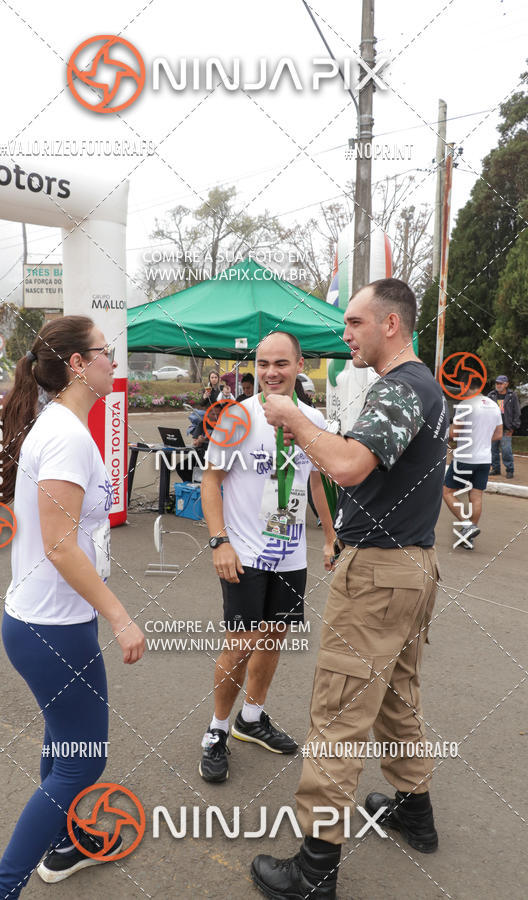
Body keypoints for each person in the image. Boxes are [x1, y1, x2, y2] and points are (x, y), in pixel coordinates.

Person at [250, 279, 448, 900]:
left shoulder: (401, 386)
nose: (346, 335)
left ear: (391, 324)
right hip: (411, 566)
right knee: (397, 696)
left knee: (337, 712)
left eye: (355, 323)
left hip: (378, 577)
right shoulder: (425, 387)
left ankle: (314, 871)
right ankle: (415, 811)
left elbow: (348, 466)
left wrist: (291, 417)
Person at [0, 316, 145, 900]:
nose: (113, 359)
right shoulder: (65, 435)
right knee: (81, 764)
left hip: (45, 622)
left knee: (64, 744)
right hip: (52, 629)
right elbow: (61, 545)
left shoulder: (59, 425)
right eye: (104, 350)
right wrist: (120, 616)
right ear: (77, 364)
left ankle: (65, 843)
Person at [198, 331, 336, 784]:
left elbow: (316, 480)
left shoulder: (312, 419)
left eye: (281, 363)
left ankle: (251, 719)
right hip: (244, 554)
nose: (271, 373)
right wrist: (219, 541)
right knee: (240, 644)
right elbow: (211, 481)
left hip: (289, 554)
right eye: (263, 364)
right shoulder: (237, 417)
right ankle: (217, 730)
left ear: (300, 365)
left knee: (273, 639)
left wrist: (330, 536)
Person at [442, 379, 502, 550]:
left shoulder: (466, 404)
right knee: (476, 497)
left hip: (465, 458)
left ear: (465, 386)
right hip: (485, 459)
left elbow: (454, 433)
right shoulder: (493, 405)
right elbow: (499, 434)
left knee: (447, 492)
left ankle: (467, 525)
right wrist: (482, 440)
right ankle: (469, 538)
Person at [488, 374, 521, 478]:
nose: (498, 385)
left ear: (506, 384)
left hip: (506, 428)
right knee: (493, 450)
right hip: (494, 428)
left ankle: (510, 470)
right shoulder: (491, 395)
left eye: (501, 383)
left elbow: (517, 412)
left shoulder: (512, 395)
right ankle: (496, 469)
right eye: (497, 383)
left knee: (506, 450)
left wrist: (513, 427)